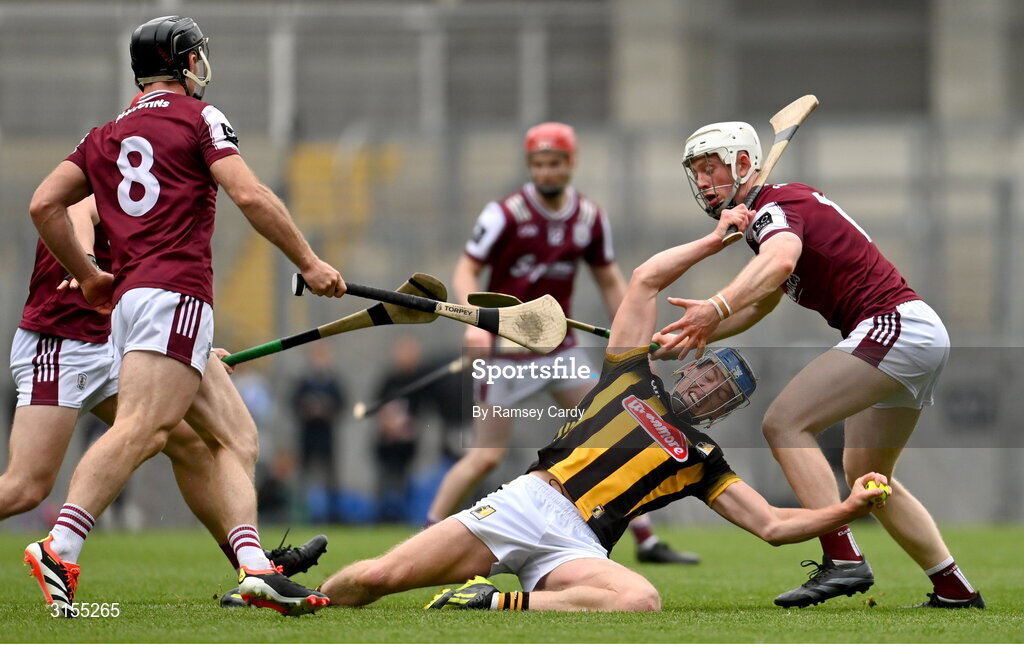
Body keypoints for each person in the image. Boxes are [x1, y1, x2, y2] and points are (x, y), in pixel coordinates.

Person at [317, 212, 891, 612]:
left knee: (640, 599)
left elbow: (771, 525)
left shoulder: (702, 459)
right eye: (712, 374)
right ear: (692, 366)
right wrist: (714, 243)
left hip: (579, 548)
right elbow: (643, 282)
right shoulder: (630, 373)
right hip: (528, 503)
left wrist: (846, 508)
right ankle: (282, 588)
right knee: (377, 577)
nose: (711, 391)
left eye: (725, 393)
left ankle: (493, 600)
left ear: (722, 410)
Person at [25, 15, 344, 616]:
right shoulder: (202, 117)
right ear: (184, 62)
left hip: (137, 303)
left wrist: (91, 275)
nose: (203, 66)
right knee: (142, 428)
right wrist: (308, 261)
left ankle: (254, 571)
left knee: (236, 437)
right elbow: (250, 194)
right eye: (196, 56)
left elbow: (44, 204)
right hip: (174, 294)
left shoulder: (103, 135)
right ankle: (59, 545)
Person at [656, 121, 983, 609]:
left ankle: (843, 559)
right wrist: (695, 329)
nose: (702, 181)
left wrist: (715, 305)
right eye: (696, 173)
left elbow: (782, 263)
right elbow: (762, 302)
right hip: (913, 332)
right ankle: (956, 590)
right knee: (870, 481)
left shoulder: (775, 207)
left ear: (744, 164)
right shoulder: (769, 213)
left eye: (711, 169)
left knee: (786, 423)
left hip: (892, 325)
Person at [6, 196, 328, 613]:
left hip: (113, 341)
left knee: (192, 444)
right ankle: (61, 547)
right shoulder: (124, 153)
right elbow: (74, 209)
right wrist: (85, 264)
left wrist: (183, 351)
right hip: (61, 342)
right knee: (25, 488)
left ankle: (254, 568)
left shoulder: (162, 175)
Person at [427, 121, 698, 564]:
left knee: (614, 429)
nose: (546, 172)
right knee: (485, 457)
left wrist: (633, 337)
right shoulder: (505, 213)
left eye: (554, 163)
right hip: (506, 356)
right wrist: (471, 319)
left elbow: (611, 280)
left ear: (570, 163)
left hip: (560, 351)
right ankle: (428, 532)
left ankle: (646, 540)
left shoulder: (589, 218)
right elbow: (465, 269)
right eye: (538, 164)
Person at [290, 343, 347, 523]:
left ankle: (333, 515)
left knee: (330, 476)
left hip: (326, 436)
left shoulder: (333, 382)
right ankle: (302, 515)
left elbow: (342, 403)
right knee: (305, 476)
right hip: (308, 436)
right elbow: (293, 403)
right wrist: (307, 409)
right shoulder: (304, 382)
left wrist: (326, 409)